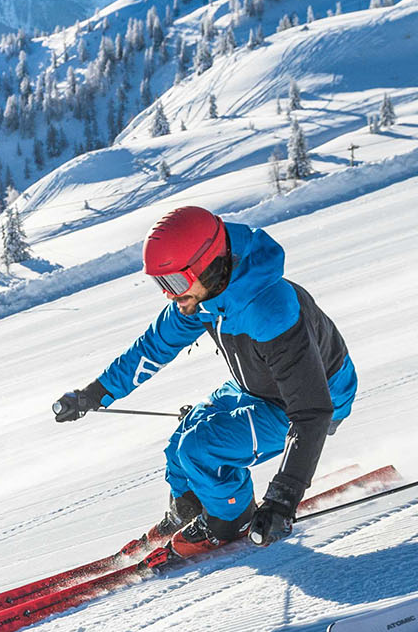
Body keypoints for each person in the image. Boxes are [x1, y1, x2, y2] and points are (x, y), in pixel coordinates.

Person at [52, 206, 358, 551]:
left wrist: (282, 500)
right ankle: (191, 507)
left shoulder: (269, 309)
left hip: (315, 399)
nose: (170, 294)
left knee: (201, 448)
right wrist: (96, 393)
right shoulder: (203, 297)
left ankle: (230, 519)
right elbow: (155, 346)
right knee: (181, 440)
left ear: (209, 265)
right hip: (257, 388)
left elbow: (313, 411)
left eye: (175, 282)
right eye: (161, 284)